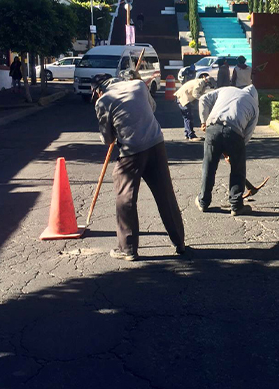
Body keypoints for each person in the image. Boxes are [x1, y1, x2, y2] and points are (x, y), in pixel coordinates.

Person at [94, 73, 191, 262]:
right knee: (165, 194)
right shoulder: (138, 85)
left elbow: (108, 139)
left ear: (98, 91)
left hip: (132, 151)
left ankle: (128, 248)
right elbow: (152, 108)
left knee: (126, 198)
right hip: (156, 144)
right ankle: (179, 242)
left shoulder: (103, 101)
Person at [195, 84, 260, 216]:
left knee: (209, 166)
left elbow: (203, 99)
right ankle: (236, 206)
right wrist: (236, 152)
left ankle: (203, 202)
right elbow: (247, 133)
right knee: (238, 170)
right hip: (235, 134)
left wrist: (203, 121)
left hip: (212, 128)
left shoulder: (227, 89)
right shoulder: (254, 105)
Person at [176, 75, 215, 141]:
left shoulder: (201, 82)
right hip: (184, 98)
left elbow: (200, 93)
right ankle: (191, 135)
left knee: (186, 117)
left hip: (181, 97)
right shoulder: (200, 83)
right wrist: (203, 100)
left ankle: (187, 134)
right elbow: (195, 94)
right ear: (207, 82)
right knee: (189, 117)